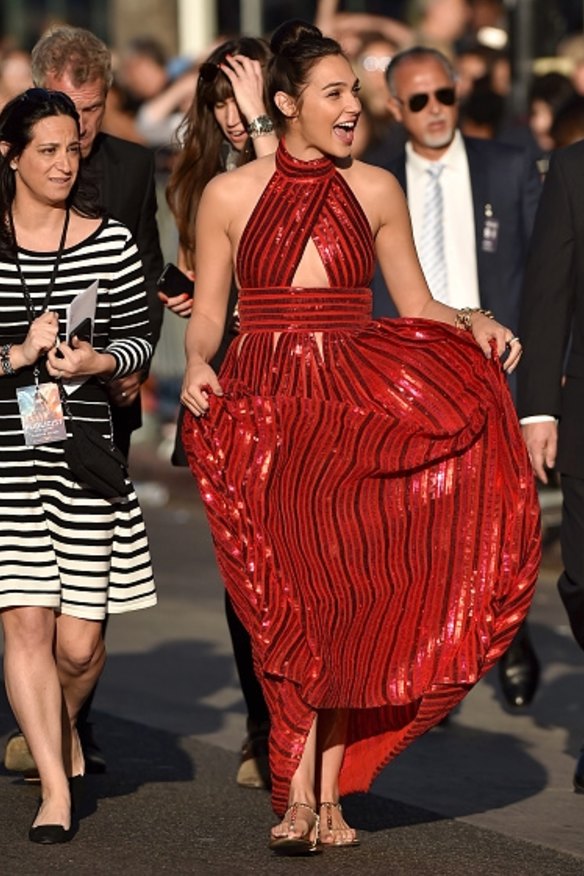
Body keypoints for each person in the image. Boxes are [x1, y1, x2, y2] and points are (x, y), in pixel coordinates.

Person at [180, 20, 541, 853]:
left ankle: (325, 793)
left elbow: (417, 304)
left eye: (354, 93)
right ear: (285, 104)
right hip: (268, 411)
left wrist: (475, 322)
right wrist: (200, 366)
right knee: (291, 603)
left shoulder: (377, 187)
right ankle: (296, 791)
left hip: (353, 408)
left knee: (348, 600)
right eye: (334, 94)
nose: (353, 108)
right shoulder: (228, 196)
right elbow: (206, 321)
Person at [1, 24, 165, 778]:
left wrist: (119, 363)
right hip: (16, 424)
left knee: (81, 621)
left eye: (89, 117)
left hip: (95, 413)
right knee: (27, 608)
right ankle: (52, 751)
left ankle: (67, 724)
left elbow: (144, 289)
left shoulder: (130, 171)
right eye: (61, 122)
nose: (75, 142)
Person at [372, 45, 542, 709]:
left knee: (504, 516)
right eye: (419, 101)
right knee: (430, 522)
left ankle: (512, 635)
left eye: (444, 95)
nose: (436, 110)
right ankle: (442, 664)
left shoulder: (510, 165)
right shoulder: (377, 178)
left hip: (497, 360)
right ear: (395, 108)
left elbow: (541, 276)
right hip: (413, 369)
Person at [165, 36, 278, 789]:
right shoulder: (199, 179)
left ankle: (295, 716)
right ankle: (261, 727)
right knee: (244, 572)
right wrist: (195, 299)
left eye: (242, 97)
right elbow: (210, 297)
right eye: (219, 101)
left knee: (297, 564)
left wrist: (265, 115)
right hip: (224, 383)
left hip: (292, 387)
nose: (232, 116)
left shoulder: (304, 164)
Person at [518, 138, 584, 794]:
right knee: (582, 579)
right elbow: (548, 294)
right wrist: (538, 407)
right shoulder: (572, 168)